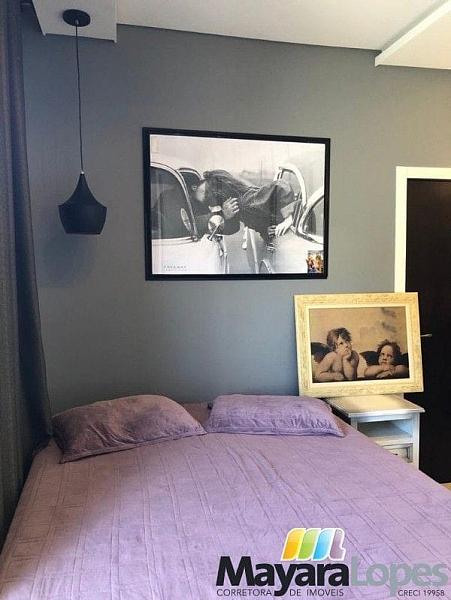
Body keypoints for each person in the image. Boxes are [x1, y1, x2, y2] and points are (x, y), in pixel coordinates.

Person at [194, 170, 300, 243]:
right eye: (206, 201)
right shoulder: (241, 206)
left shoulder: (246, 201)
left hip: (297, 226)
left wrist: (288, 218)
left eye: (207, 193)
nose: (209, 204)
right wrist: (266, 231)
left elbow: (281, 185)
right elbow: (259, 218)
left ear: (218, 191)